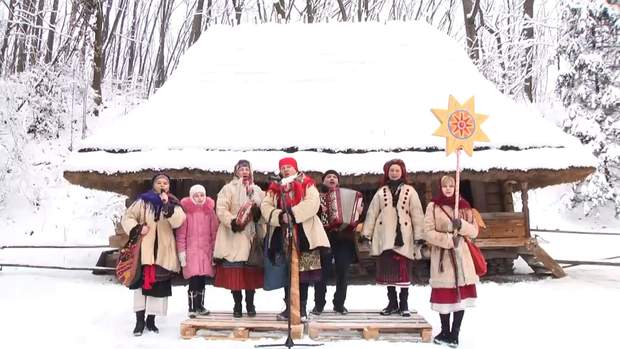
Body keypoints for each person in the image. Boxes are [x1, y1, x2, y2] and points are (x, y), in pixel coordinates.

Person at [261, 157, 330, 321]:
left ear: (295, 168)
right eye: (283, 167)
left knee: (304, 272)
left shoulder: (307, 183)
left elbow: (313, 203)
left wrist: (292, 215)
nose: (285, 170)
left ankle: (302, 308)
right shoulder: (274, 188)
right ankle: (289, 308)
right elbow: (265, 206)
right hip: (283, 233)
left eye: (288, 167)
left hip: (306, 233)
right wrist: (280, 216)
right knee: (287, 271)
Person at [121, 173, 186, 336]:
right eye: (159, 182)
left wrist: (168, 207)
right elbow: (127, 217)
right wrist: (137, 228)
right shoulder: (142, 201)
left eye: (165, 183)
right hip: (144, 251)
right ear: (153, 185)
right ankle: (139, 321)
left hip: (163, 252)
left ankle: (151, 321)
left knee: (158, 287)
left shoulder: (173, 203)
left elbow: (179, 221)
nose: (162, 185)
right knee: (140, 286)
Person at [361, 159, 424, 317]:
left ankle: (404, 304)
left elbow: (417, 214)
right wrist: (366, 234)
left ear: (402, 172)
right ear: (387, 173)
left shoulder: (410, 191)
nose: (394, 173)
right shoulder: (381, 192)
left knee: (403, 272)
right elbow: (372, 213)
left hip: (404, 237)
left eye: (397, 170)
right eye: (391, 170)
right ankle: (392, 303)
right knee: (388, 272)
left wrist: (419, 236)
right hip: (385, 237)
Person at [424, 175, 479, 348]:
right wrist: (448, 240)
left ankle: (455, 334)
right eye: (445, 186)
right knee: (444, 296)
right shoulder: (433, 206)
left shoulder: (464, 206)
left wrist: (461, 225)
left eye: (451, 185)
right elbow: (427, 232)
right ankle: (444, 331)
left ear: (456, 187)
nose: (448, 188)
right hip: (443, 257)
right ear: (440, 187)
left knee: (460, 297)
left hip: (462, 256)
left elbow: (475, 232)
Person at [213, 160, 265, 318]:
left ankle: (250, 304)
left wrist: (257, 212)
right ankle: (237, 305)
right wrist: (232, 222)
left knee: (250, 271)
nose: (244, 171)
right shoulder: (228, 188)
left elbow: (264, 207)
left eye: (247, 168)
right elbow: (221, 209)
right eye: (241, 169)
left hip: (251, 235)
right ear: (236, 171)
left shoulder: (256, 189)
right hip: (233, 235)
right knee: (235, 273)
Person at [311, 170, 358, 315]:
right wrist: (320, 209)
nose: (332, 179)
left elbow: (355, 215)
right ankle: (319, 304)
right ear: (323, 180)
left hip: (343, 239)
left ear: (338, 181)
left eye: (334, 177)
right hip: (323, 238)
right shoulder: (316, 196)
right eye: (328, 177)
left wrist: (358, 210)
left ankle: (339, 303)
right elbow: (312, 214)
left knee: (343, 272)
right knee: (321, 273)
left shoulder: (347, 194)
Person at [176, 184, 219, 318]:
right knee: (193, 280)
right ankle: (192, 307)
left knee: (202, 280)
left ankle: (200, 306)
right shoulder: (187, 213)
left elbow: (214, 232)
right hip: (191, 252)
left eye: (201, 195)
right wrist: (182, 253)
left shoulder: (210, 212)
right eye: (196, 196)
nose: (199, 198)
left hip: (205, 251)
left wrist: (214, 252)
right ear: (191, 197)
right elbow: (181, 235)